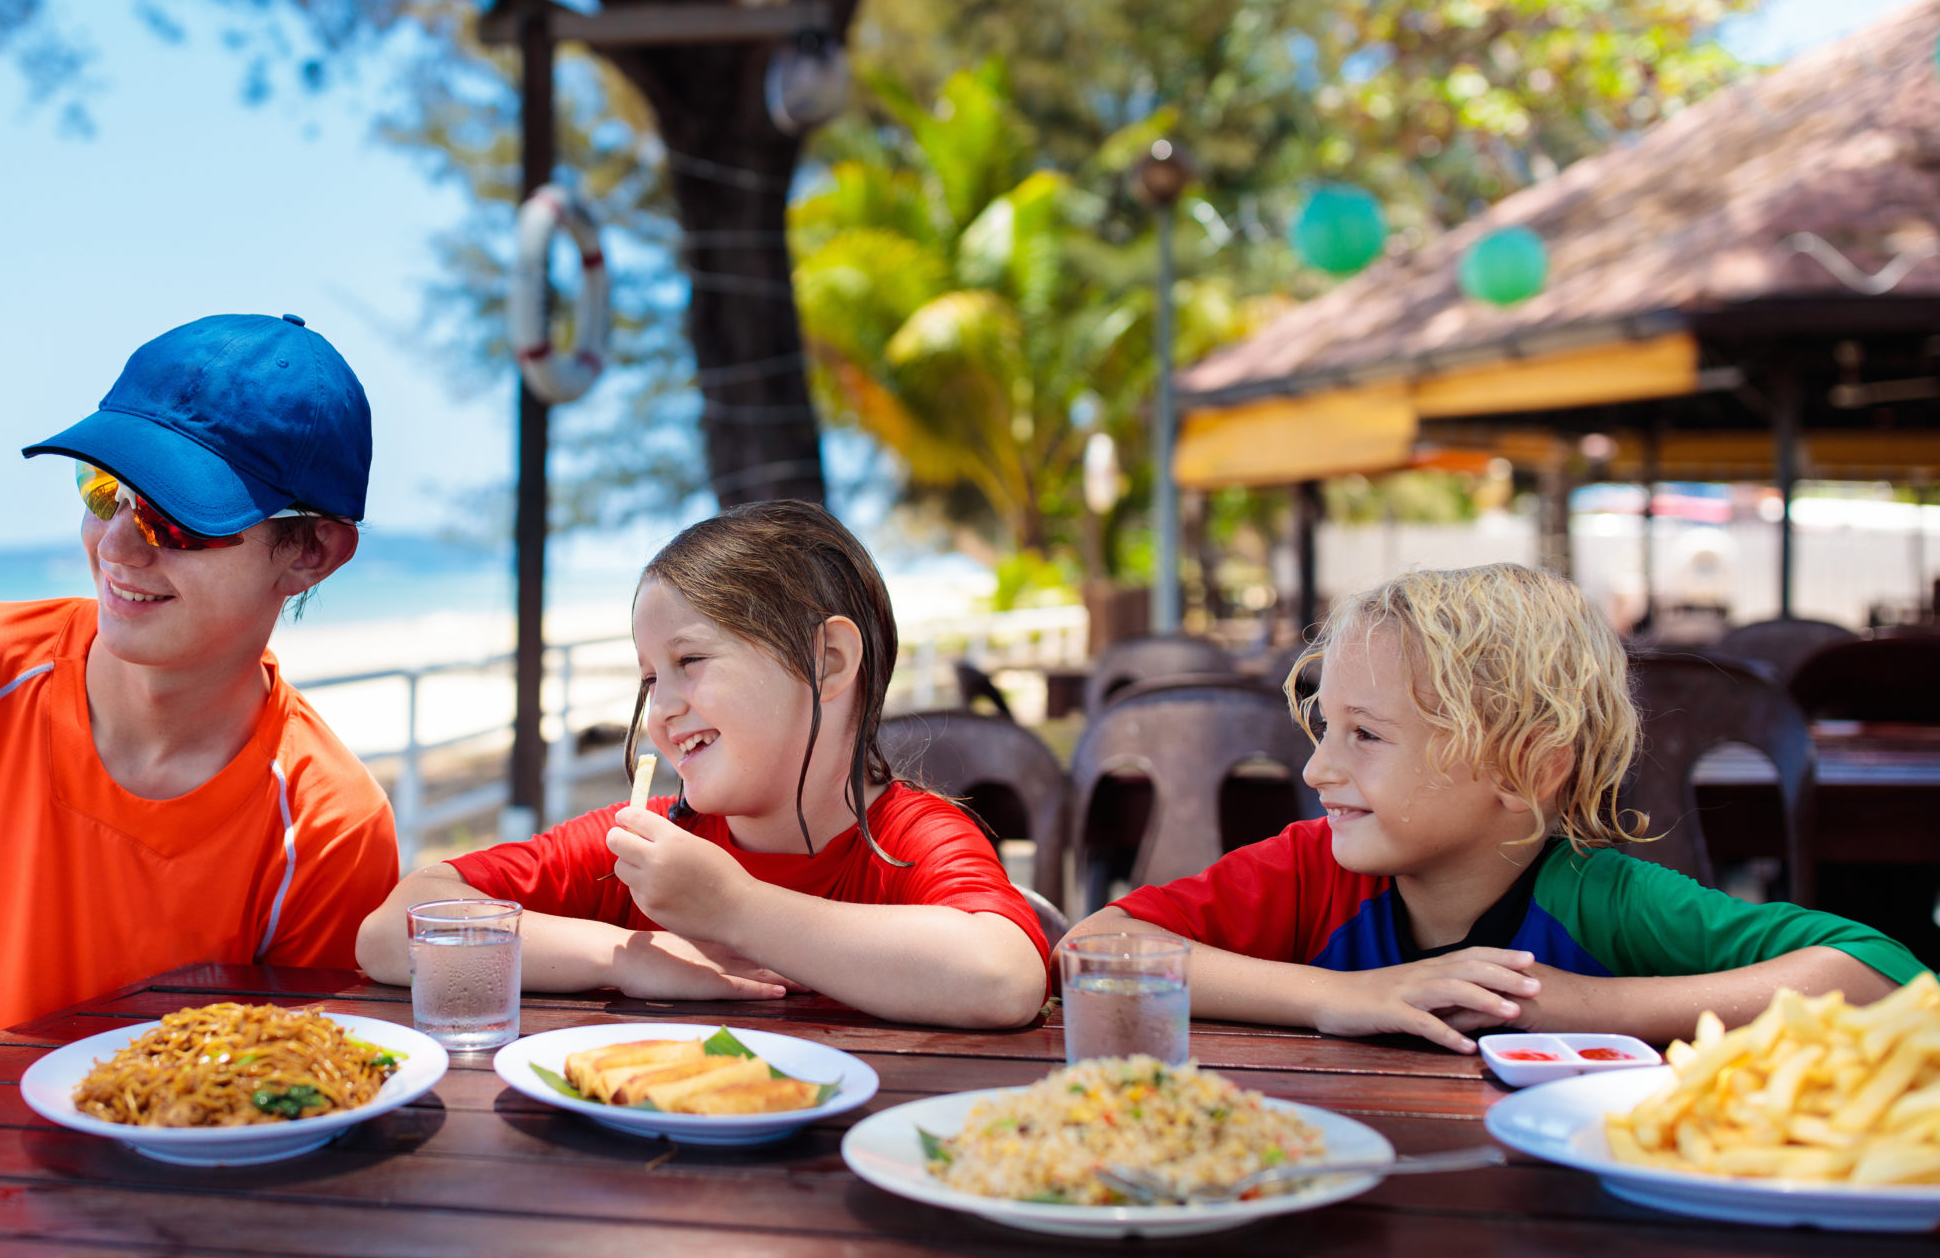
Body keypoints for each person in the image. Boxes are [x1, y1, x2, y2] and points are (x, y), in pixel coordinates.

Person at [1076, 563, 1926, 1051]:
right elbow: (1093, 946)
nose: (1317, 766)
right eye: (1326, 726)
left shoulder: (1600, 900)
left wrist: (1581, 1007)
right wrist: (1343, 995)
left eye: (1366, 735)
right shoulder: (1311, 872)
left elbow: (1887, 975)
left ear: (1526, 767)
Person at [0, 313, 397, 1038]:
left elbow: (283, 1088)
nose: (116, 544)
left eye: (176, 517)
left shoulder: (329, 831)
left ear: (311, 551)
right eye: (103, 489)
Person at [357, 501, 1049, 1029]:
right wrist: (626, 955)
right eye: (650, 678)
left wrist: (734, 908)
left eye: (689, 661)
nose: (661, 709)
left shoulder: (907, 842)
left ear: (828, 662)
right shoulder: (647, 845)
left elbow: (1007, 975)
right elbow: (392, 932)